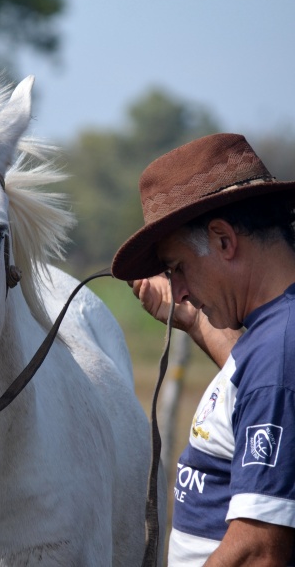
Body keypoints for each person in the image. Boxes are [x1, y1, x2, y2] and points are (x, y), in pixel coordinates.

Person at [112, 133, 295, 567]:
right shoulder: (273, 334)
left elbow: (258, 550)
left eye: (178, 268)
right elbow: (248, 387)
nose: (180, 291)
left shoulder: (279, 348)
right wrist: (195, 322)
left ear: (224, 240)